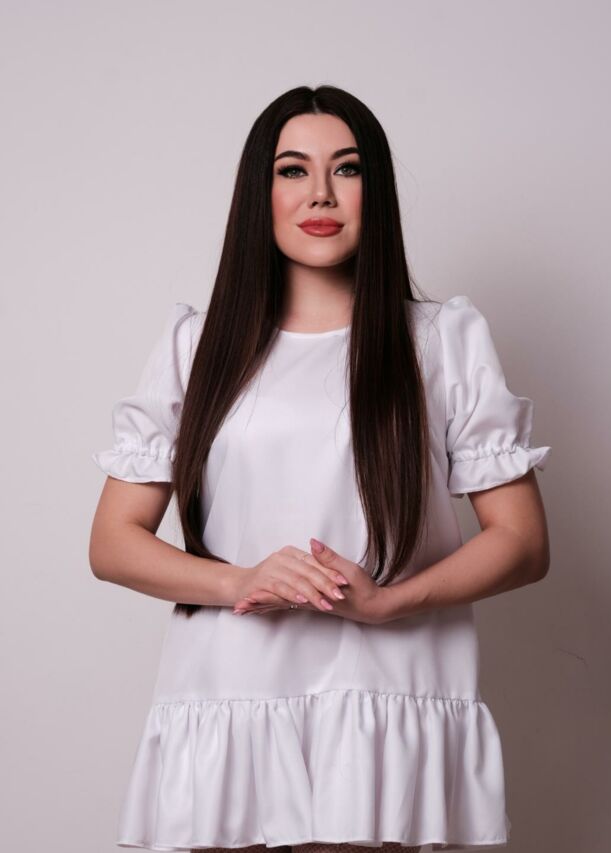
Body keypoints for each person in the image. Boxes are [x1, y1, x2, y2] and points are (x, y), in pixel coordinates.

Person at [89, 85, 552, 853]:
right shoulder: (196, 347)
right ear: (260, 193)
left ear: (378, 190)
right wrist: (240, 581)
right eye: (293, 170)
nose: (322, 194)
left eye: (348, 168)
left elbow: (524, 541)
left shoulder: (442, 341)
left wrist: (389, 603)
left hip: (384, 692)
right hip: (230, 695)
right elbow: (112, 541)